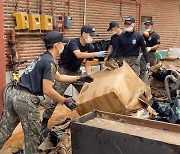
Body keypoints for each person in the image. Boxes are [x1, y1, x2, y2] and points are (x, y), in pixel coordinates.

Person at [0, 31, 93, 154]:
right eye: (62, 44)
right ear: (56, 45)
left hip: (13, 95)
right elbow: (48, 90)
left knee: (4, 131)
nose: (64, 46)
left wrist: (79, 78)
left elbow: (59, 77)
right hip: (25, 101)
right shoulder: (50, 62)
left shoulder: (43, 58)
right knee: (32, 136)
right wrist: (65, 100)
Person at [41, 24, 108, 129]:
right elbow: (78, 55)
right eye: (91, 35)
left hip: (76, 72)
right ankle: (44, 121)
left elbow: (88, 64)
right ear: (84, 34)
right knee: (55, 98)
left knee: (89, 92)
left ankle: (92, 115)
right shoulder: (74, 43)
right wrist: (95, 54)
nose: (92, 38)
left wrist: (89, 77)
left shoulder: (90, 47)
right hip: (63, 71)